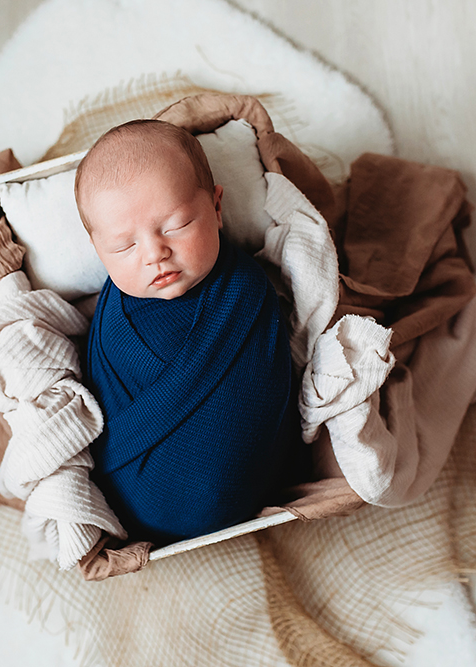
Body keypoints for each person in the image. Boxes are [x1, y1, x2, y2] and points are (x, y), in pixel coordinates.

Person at [76, 119, 301, 545]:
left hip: (261, 488)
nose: (154, 253)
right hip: (136, 501)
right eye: (124, 246)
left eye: (175, 225)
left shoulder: (245, 290)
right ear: (98, 251)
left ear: (217, 208)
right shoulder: (111, 316)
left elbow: (271, 386)